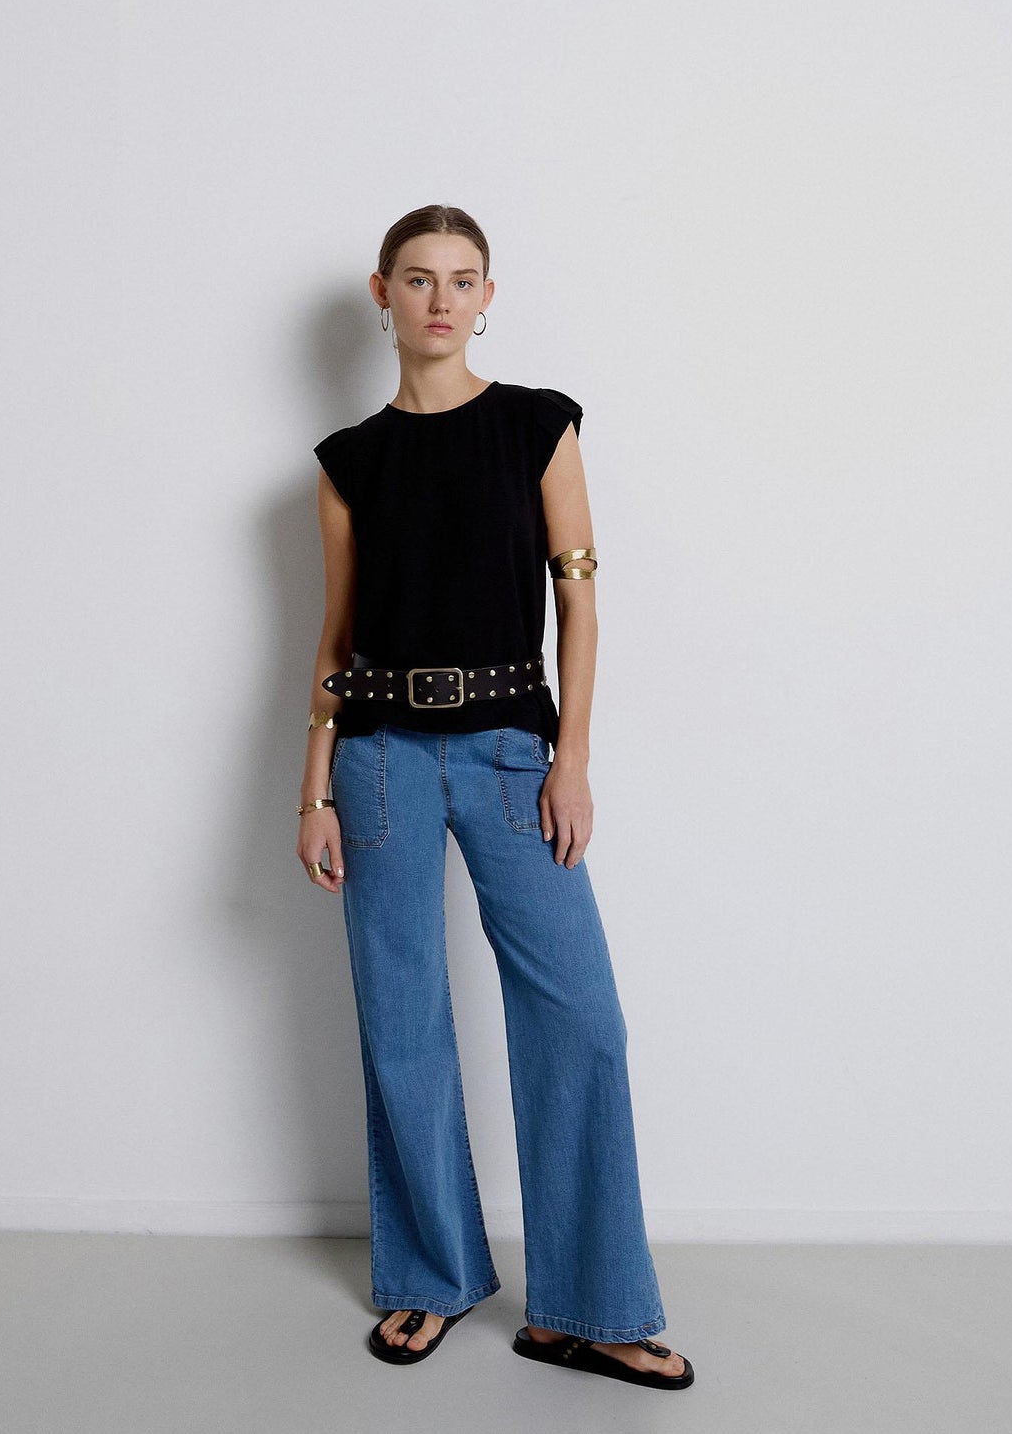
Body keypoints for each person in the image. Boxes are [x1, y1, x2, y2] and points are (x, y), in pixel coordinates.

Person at [298, 204, 694, 1391]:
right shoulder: (347, 460)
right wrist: (312, 787)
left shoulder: (536, 425)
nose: (440, 299)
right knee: (402, 1018)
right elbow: (333, 638)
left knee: (580, 1016)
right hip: (378, 758)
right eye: (418, 278)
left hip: (514, 754)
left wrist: (571, 757)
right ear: (382, 293)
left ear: (485, 295)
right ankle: (429, 1278)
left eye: (461, 279)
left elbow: (579, 604)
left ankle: (589, 1306)